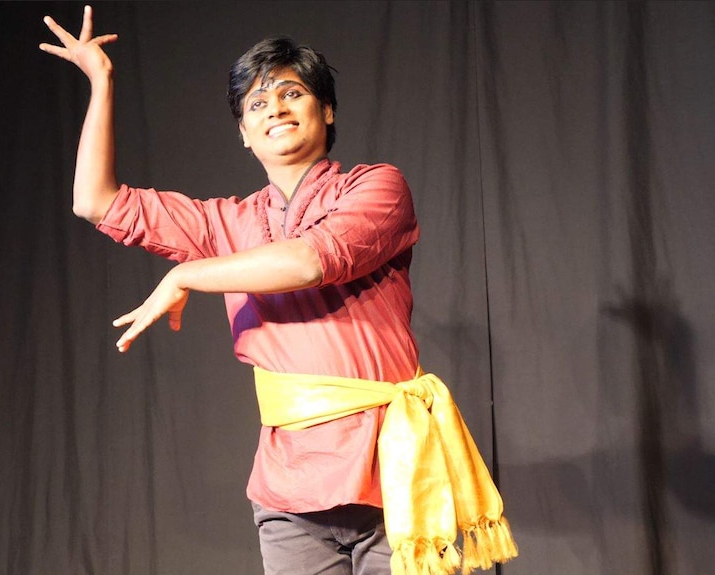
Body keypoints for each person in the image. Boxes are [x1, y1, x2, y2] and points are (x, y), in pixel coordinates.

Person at [40, 7, 515, 575]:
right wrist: (102, 81)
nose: (276, 110)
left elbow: (312, 260)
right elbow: (94, 201)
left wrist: (185, 273)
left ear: (327, 108)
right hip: (289, 489)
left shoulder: (376, 187)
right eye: (257, 104)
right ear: (243, 134)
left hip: (393, 474)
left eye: (292, 94)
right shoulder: (228, 224)